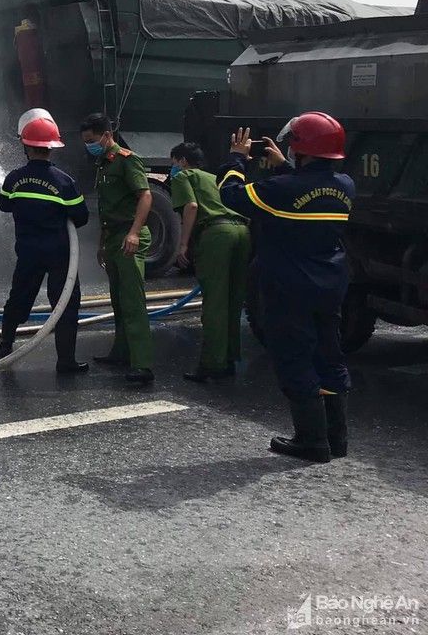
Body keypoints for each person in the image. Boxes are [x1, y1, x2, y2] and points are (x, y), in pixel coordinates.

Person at [217, 113, 354, 463]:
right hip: (330, 285)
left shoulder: (281, 189)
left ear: (300, 149)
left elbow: (230, 195)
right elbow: (304, 192)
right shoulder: (345, 186)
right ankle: (336, 440)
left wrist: (237, 157)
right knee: (330, 358)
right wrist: (285, 167)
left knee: (295, 359)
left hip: (289, 288)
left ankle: (311, 441)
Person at [0, 111, 91, 373]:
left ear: (26, 147)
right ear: (52, 148)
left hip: (27, 251)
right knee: (65, 305)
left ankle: (5, 344)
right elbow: (81, 217)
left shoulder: (14, 178)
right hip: (60, 253)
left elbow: (4, 205)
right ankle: (66, 361)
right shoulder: (64, 182)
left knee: (19, 298)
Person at [80, 112, 154, 386]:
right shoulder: (103, 163)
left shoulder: (126, 160)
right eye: (86, 141)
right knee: (119, 301)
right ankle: (121, 352)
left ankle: (142, 364)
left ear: (106, 135)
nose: (89, 145)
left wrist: (134, 233)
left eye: (92, 140)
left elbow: (145, 195)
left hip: (128, 237)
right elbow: (106, 209)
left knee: (133, 303)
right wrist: (101, 244)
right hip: (113, 238)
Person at [169, 142, 250, 382]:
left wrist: (183, 245)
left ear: (182, 161)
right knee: (234, 300)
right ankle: (229, 360)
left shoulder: (184, 176)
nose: (173, 167)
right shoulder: (215, 177)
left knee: (215, 302)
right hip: (242, 232)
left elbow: (192, 206)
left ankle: (211, 364)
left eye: (173, 162)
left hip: (217, 235)